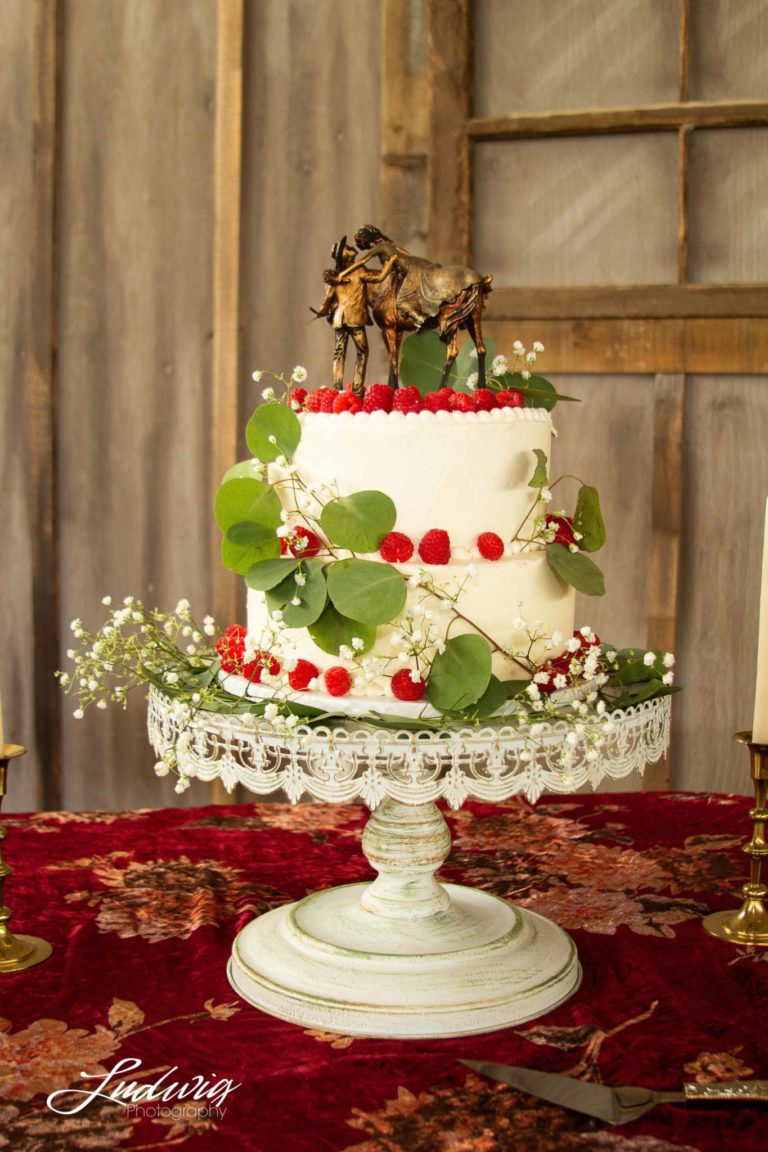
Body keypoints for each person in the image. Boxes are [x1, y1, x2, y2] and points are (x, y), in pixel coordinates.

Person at [311, 236, 398, 395]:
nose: (350, 247)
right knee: (362, 352)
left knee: (339, 353)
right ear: (343, 256)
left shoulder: (335, 278)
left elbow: (326, 302)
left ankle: (337, 390)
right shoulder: (359, 271)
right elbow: (378, 278)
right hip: (355, 319)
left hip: (339, 319)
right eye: (345, 248)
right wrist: (390, 263)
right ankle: (357, 390)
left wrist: (321, 312)